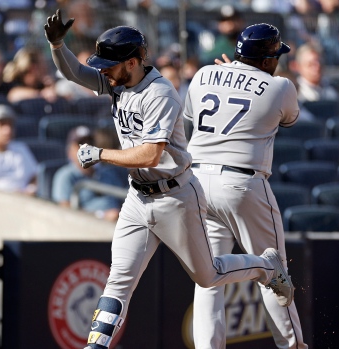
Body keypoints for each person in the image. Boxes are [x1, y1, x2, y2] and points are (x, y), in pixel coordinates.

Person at [45, 9, 294, 349]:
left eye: (110, 65)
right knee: (119, 279)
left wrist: (101, 154)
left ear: (132, 63)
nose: (104, 72)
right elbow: (75, 72)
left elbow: (151, 154)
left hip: (175, 196)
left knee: (208, 276)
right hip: (138, 198)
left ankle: (265, 266)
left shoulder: (160, 93)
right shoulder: (120, 81)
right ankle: (96, 345)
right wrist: (57, 44)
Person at [184, 24, 307, 349]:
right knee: (273, 272)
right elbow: (288, 118)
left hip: (195, 183)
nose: (278, 61)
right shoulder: (280, 86)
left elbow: (194, 116)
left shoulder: (203, 74)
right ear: (267, 59)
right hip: (241, 182)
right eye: (275, 56)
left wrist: (229, 78)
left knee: (209, 276)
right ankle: (291, 346)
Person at [52, 125, 125, 221]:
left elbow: (124, 199)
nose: (85, 148)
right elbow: (64, 212)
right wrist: (101, 216)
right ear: (69, 151)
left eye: (90, 143)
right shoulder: (65, 176)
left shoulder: (108, 172)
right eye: (80, 144)